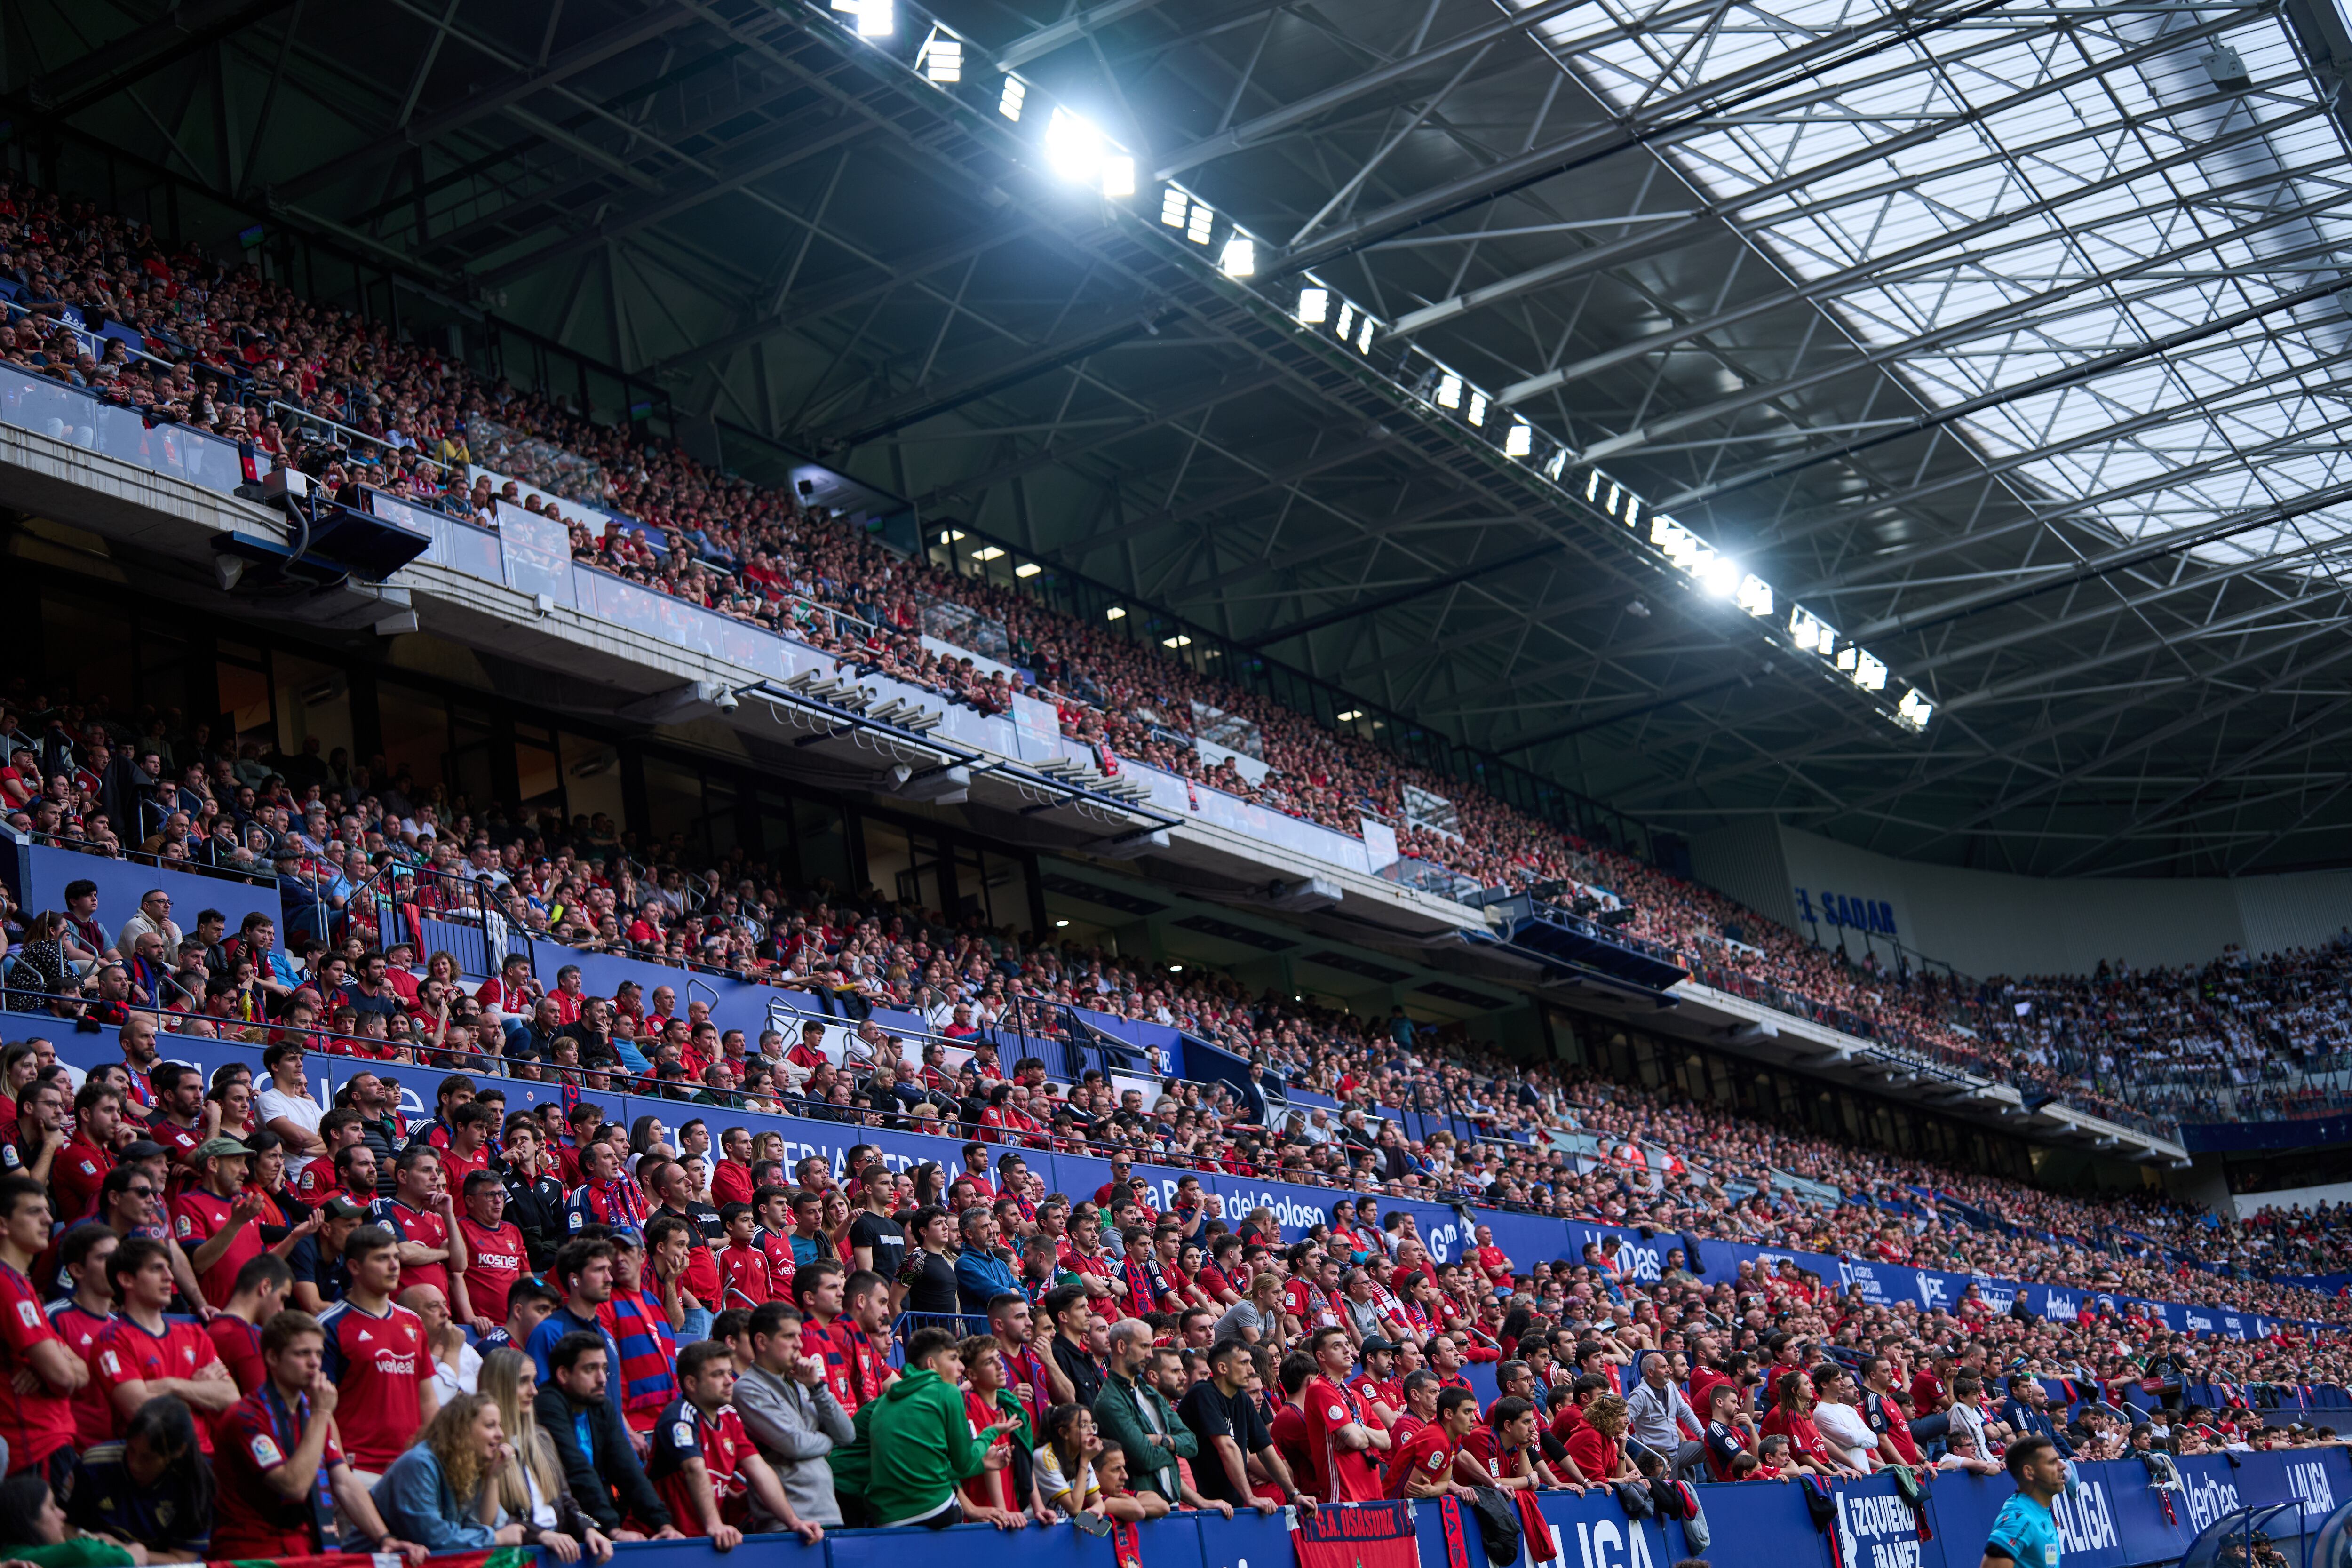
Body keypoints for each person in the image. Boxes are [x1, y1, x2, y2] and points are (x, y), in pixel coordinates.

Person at [212, 1308, 422, 1560]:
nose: (315, 1362)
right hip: (252, 1553)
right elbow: (294, 1487)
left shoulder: (311, 1412)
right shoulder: (246, 1417)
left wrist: (385, 1539)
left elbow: (343, 1481)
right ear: (273, 1358)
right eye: (303, 1353)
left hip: (305, 1547)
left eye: (319, 1354)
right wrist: (322, 1413)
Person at [647, 1339, 826, 1550]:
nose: (729, 1381)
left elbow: (759, 1470)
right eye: (718, 1375)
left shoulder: (730, 1416)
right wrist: (715, 1525)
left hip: (702, 1541)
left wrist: (794, 1522)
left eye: (730, 1373)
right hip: (659, 1541)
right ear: (691, 1383)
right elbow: (694, 1469)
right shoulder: (680, 1417)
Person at [835, 1325, 1011, 1528]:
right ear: (932, 1364)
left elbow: (926, 1469)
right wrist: (990, 1434)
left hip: (883, 1514)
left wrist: (981, 1464)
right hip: (849, 1491)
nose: (961, 1367)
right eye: (953, 1358)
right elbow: (961, 1464)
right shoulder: (946, 1394)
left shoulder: (888, 1401)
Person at [318, 1224, 438, 1479]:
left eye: (396, 1257)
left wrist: (426, 1456)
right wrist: (340, 1469)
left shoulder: (414, 1322)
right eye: (383, 1259)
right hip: (357, 1469)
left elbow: (427, 1399)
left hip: (411, 1468)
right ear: (354, 1267)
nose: (394, 1266)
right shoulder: (329, 1326)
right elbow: (321, 1408)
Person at [88, 1237, 237, 1441]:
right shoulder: (112, 1341)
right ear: (126, 1279)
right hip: (154, 1455)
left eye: (169, 1268)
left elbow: (231, 1397)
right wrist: (200, 1392)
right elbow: (140, 1410)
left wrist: (171, 1386)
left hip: (204, 1454)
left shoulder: (194, 1334)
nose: (170, 1277)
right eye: (157, 1269)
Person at [537, 1331, 679, 1540]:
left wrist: (663, 1524)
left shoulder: (601, 1405)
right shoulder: (548, 1404)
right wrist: (611, 1529)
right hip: (556, 1524)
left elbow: (627, 1468)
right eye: (590, 1369)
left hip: (591, 1519)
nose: (602, 1379)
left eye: (604, 1368)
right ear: (564, 1375)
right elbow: (576, 1469)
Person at [477, 1348, 614, 1563]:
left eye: (534, 1381)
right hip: (518, 1557)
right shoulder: (483, 1446)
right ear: (501, 1386)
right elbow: (490, 1520)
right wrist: (540, 1535)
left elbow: (565, 1500)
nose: (534, 1391)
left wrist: (588, 1528)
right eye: (523, 1382)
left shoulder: (541, 1437)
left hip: (558, 1549)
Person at [730, 1301, 853, 1530]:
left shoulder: (803, 1383)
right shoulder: (747, 1389)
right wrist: (829, 1441)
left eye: (799, 1335)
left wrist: (817, 1387)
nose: (799, 1344)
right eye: (789, 1337)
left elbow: (847, 1435)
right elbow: (795, 1444)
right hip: (788, 1525)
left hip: (829, 1513)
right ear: (762, 1342)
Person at [0, 1174, 89, 1481]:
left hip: (46, 1440)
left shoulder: (19, 1283)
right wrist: (58, 1363)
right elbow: (65, 1378)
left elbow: (81, 1373)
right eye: (33, 1211)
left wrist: (52, 1361)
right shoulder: (7, 1286)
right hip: (33, 1446)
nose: (48, 1220)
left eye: (48, 1211)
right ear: (3, 1224)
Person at [369, 1393, 530, 1552]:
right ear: (463, 1430)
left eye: (499, 1425)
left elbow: (487, 1525)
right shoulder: (420, 1465)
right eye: (490, 1426)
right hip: (370, 1558)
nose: (501, 1434)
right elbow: (434, 1537)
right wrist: (496, 1539)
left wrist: (493, 1478)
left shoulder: (467, 1465)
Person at [57, 1395, 213, 1558]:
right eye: (131, 1450)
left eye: (148, 1458)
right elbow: (65, 1527)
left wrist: (123, 1552)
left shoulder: (193, 1482)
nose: (135, 1464)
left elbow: (182, 1560)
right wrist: (93, 1547)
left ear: (178, 1451)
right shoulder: (94, 1465)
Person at [1179, 1337, 1313, 1513]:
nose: (1251, 1370)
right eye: (1244, 1363)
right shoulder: (1203, 1394)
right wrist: (1250, 1497)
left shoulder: (1242, 1399)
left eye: (1250, 1362)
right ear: (1223, 1368)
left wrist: (1294, 1494)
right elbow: (1227, 1447)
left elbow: (1266, 1450)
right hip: (1200, 1509)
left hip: (1230, 1507)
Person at [1091, 1317, 1197, 1507]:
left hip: (1171, 1506)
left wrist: (1161, 1441)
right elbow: (1145, 1458)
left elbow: (1191, 1443)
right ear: (1122, 1347)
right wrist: (1174, 1452)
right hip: (1143, 1511)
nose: (1150, 1355)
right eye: (1144, 1346)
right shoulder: (1110, 1401)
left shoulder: (1150, 1392)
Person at [1981, 1436, 2069, 1568]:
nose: (2063, 1466)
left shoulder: (2041, 1509)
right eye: (2052, 1462)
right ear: (2029, 1472)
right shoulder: (2020, 1519)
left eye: (2059, 1460)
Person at [1387, 1385, 1482, 1499]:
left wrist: (1433, 1491)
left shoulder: (1453, 1437)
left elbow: (1444, 1483)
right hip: (1394, 1505)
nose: (1474, 1418)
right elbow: (1412, 1494)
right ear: (1449, 1414)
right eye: (1467, 1412)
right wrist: (1435, 1490)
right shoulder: (1437, 1441)